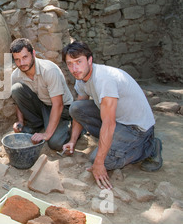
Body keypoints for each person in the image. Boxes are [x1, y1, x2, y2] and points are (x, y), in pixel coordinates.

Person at [62, 41, 163, 190]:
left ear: (90, 60)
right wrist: (72, 140)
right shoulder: (81, 78)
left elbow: (109, 124)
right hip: (118, 119)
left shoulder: (104, 79)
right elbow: (79, 111)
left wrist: (99, 162)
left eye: (79, 62)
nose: (74, 68)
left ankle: (149, 147)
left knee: (99, 160)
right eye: (70, 64)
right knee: (76, 108)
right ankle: (113, 143)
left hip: (136, 127)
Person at [10, 38, 74, 150]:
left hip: (62, 109)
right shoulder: (16, 75)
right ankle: (37, 124)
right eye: (17, 59)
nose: (22, 63)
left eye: (25, 57)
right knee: (16, 89)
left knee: (55, 143)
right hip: (43, 105)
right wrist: (20, 121)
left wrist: (47, 134)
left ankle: (74, 127)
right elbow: (17, 102)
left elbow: (58, 105)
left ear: (33, 54)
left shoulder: (49, 70)